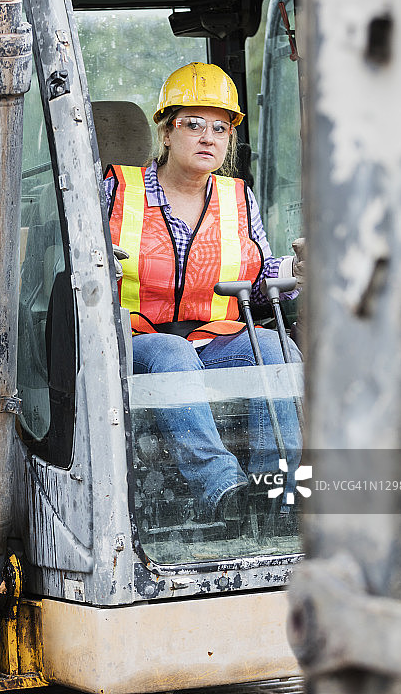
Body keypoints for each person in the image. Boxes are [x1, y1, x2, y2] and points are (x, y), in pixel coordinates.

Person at [104, 62, 303, 522]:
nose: (207, 137)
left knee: (277, 349)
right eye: (192, 124)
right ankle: (223, 488)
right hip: (134, 340)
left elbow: (256, 286)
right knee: (173, 354)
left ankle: (279, 493)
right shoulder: (118, 190)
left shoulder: (239, 197)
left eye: (220, 127)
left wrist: (296, 272)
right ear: (167, 133)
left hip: (213, 339)